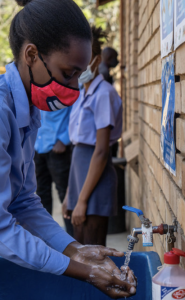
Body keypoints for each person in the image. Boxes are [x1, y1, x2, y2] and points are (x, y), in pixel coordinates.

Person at [0, 0, 136, 298]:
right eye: (67, 73)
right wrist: (83, 271)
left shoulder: (27, 109)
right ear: (31, 54)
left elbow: (24, 202)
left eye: (78, 76)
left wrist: (76, 250)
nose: (74, 88)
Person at [63, 26, 122, 247]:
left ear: (96, 61)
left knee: (93, 252)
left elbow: (100, 151)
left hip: (94, 180)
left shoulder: (104, 93)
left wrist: (83, 200)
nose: (76, 67)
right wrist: (71, 194)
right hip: (80, 176)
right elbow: (77, 148)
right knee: (80, 250)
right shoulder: (81, 94)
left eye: (82, 60)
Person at [34, 107, 74, 236]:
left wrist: (64, 139)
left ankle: (72, 238)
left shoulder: (65, 89)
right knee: (41, 194)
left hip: (58, 150)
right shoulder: (36, 89)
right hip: (37, 149)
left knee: (65, 194)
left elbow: (75, 116)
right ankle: (46, 236)